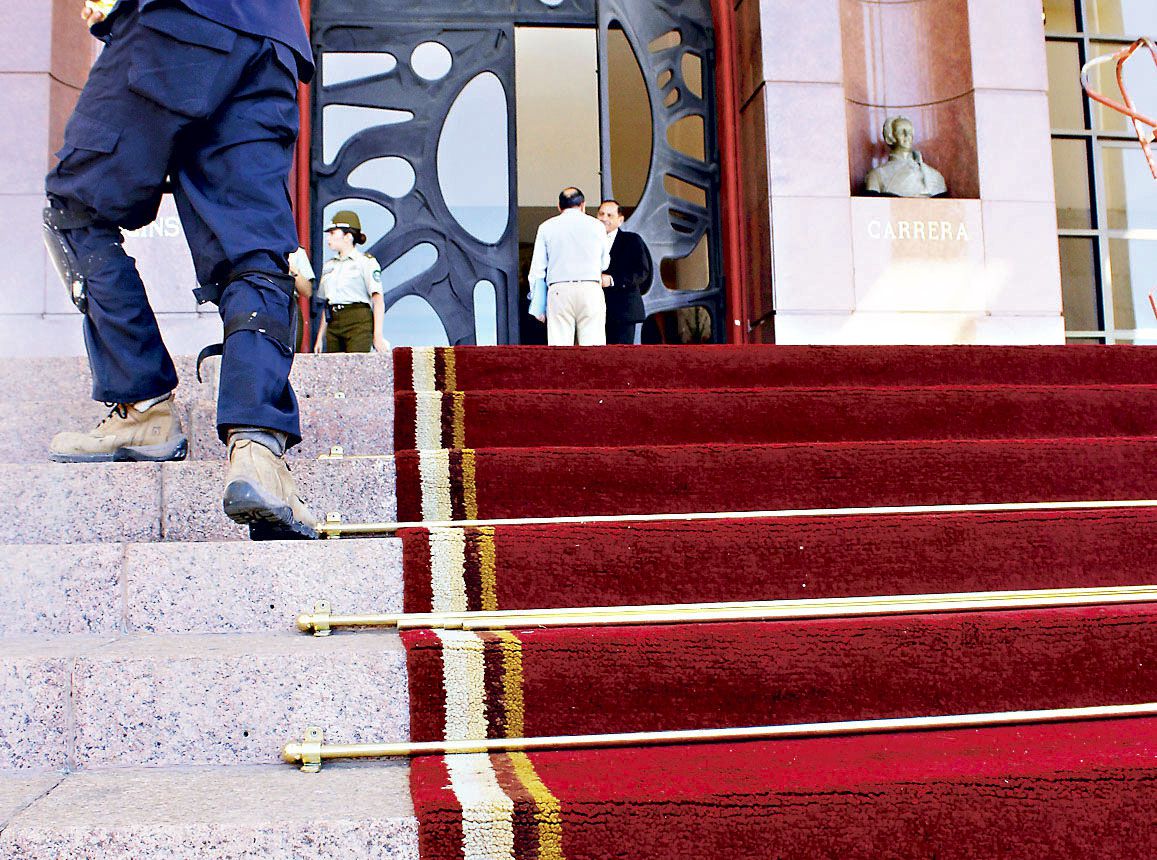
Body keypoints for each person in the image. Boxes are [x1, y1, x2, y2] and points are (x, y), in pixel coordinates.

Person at [44, 0, 318, 540]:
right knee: (254, 244)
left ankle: (143, 404)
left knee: (73, 208)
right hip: (272, 38)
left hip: (177, 21)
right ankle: (258, 445)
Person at [528, 187, 611, 346]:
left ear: (559, 206)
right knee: (593, 345)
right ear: (583, 205)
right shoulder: (596, 226)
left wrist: (537, 301)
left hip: (559, 290)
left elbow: (538, 269)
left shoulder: (546, 227)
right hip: (590, 288)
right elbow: (604, 263)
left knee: (560, 346)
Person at [313, 211, 390, 354]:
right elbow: (326, 304)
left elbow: (378, 300)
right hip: (333, 321)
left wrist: (377, 336)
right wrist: (319, 338)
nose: (329, 238)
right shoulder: (329, 265)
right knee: (334, 370)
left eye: (333, 233)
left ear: (348, 236)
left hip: (357, 319)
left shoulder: (365, 262)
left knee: (357, 367)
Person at [597, 200, 653, 345]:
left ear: (620, 220)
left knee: (620, 359)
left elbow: (642, 272)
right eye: (601, 214)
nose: (604, 218)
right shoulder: (590, 241)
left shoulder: (632, 240)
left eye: (610, 215)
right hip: (595, 311)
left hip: (623, 311)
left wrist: (613, 280)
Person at [864, 116, 948, 198]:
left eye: (909, 131)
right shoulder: (876, 176)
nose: (907, 135)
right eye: (901, 131)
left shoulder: (935, 176)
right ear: (890, 138)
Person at [288, 246, 316, 352]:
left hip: (289, 302)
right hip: (262, 301)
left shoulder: (296, 251)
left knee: (292, 351)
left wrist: (294, 271)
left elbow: (307, 291)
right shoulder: (257, 245)